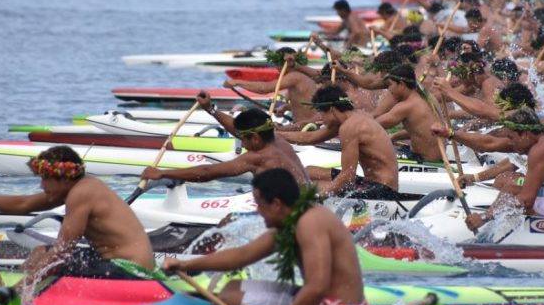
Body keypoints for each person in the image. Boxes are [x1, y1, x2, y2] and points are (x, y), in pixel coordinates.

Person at [163, 169, 365, 305]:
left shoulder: (309, 223)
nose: (258, 212)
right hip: (318, 300)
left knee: (229, 297)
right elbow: (242, 255)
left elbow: (317, 287)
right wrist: (185, 264)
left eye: (259, 205)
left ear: (276, 204)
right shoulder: (294, 220)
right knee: (232, 287)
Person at [0, 146, 157, 279]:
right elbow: (22, 204)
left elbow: (62, 251)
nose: (41, 185)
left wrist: (20, 288)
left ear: (64, 178)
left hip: (132, 270)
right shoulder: (74, 187)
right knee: (39, 252)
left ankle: (19, 293)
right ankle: (20, 284)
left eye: (45, 179)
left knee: (50, 259)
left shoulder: (82, 193)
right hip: (113, 260)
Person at [434, 109, 544, 229]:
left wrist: (485, 217)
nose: (511, 142)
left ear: (524, 134)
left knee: (518, 203)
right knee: (510, 188)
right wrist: (450, 134)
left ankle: (500, 236)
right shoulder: (536, 140)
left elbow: (526, 201)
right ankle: (498, 230)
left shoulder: (540, 150)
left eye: (512, 137)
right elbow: (488, 143)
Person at [141, 101, 309, 185]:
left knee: (227, 223)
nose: (241, 144)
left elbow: (208, 172)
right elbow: (236, 129)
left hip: (294, 217)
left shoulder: (258, 157)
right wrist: (212, 109)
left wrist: (162, 174)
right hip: (309, 204)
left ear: (256, 138)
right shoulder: (277, 139)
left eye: (242, 139)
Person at [279, 86, 400, 197]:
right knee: (308, 172)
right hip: (371, 183)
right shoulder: (350, 118)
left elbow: (347, 177)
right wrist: (276, 134)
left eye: (321, 112)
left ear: (331, 109)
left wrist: (320, 196)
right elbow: (310, 138)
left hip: (383, 190)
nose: (320, 118)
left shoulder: (350, 127)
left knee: (307, 187)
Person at [224, 48, 319, 125]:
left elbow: (264, 88)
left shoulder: (294, 76)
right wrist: (285, 107)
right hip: (303, 125)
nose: (276, 68)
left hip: (307, 128)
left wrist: (236, 82)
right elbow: (304, 103)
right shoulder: (302, 75)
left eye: (276, 64)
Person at [373, 65, 441, 162]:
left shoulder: (407, 106)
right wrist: (394, 136)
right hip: (432, 157)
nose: (389, 90)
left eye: (390, 85)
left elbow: (372, 125)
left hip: (425, 161)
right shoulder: (424, 99)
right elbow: (419, 130)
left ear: (401, 84)